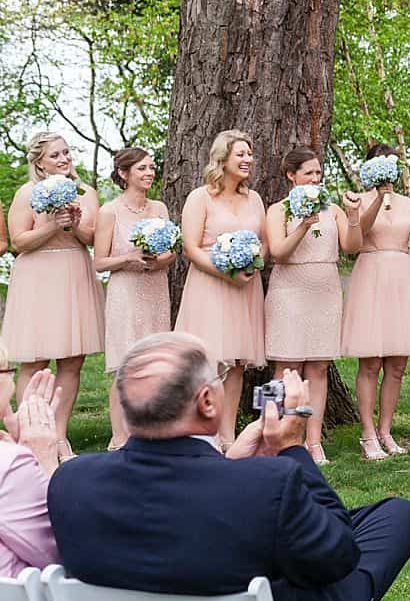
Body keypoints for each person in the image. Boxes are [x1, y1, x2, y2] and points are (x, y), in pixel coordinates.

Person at [46, 332, 410, 601]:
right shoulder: (267, 486)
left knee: (396, 515)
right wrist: (292, 449)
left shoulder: (72, 483)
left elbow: (173, 529)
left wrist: (228, 470)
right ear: (207, 401)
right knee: (347, 575)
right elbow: (339, 554)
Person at [4, 129, 103, 455]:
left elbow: (92, 238)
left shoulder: (84, 192)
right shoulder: (27, 192)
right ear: (40, 164)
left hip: (73, 272)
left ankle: (59, 436)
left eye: (66, 153)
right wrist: (50, 225)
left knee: (71, 360)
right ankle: (29, 434)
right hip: (38, 276)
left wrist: (73, 223)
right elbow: (18, 242)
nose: (63, 159)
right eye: (55, 155)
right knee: (35, 361)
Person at [174, 130, 269, 450]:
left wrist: (253, 266)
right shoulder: (200, 197)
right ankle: (202, 435)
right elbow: (191, 247)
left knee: (237, 364)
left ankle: (228, 436)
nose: (248, 160)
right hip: (210, 287)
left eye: (250, 155)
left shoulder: (254, 199)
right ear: (222, 159)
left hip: (245, 289)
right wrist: (226, 273)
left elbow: (265, 243)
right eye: (241, 154)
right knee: (209, 363)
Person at [265, 147, 360, 464]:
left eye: (319, 173)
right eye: (309, 173)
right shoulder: (278, 210)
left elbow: (352, 247)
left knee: (318, 366)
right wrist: (304, 224)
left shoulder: (331, 208)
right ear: (291, 175)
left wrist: (354, 216)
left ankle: (314, 441)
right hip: (289, 289)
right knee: (285, 368)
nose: (316, 178)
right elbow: (278, 252)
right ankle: (278, 437)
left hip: (326, 289)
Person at [341, 143, 410, 459]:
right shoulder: (357, 201)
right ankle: (367, 434)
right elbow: (358, 235)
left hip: (402, 276)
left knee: (396, 364)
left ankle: (385, 431)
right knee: (371, 360)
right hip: (370, 274)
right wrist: (379, 198)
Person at [94, 146, 176, 448]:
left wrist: (159, 261)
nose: (149, 173)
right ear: (123, 174)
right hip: (125, 292)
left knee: (156, 363)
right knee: (125, 365)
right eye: (142, 168)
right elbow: (99, 262)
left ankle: (153, 432)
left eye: (151, 167)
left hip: (155, 289)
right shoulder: (109, 211)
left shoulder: (160, 209)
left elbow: (171, 253)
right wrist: (128, 257)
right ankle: (119, 437)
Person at [0, 360, 64, 601]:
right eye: (7, 370)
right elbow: (63, 551)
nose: (12, 378)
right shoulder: (9, 466)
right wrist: (41, 459)